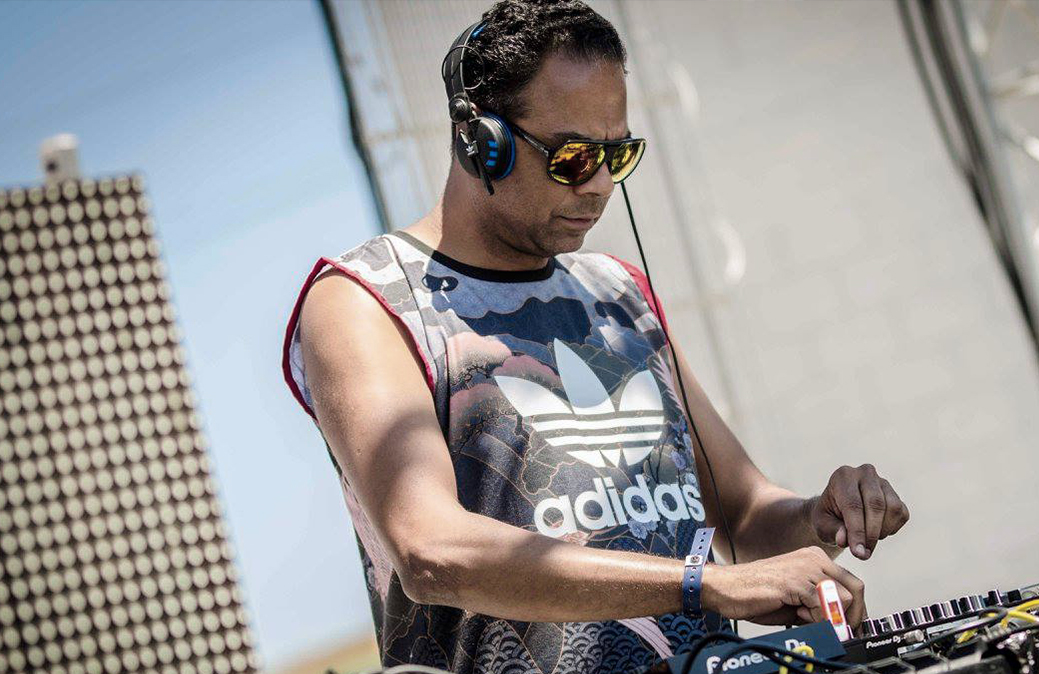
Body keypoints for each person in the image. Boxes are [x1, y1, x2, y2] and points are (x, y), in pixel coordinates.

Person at [281, 1, 909, 672]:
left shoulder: (618, 290)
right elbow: (432, 552)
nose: (602, 185)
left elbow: (746, 516)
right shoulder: (365, 300)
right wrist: (702, 584)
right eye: (574, 157)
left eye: (618, 154)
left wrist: (820, 517)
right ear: (480, 141)